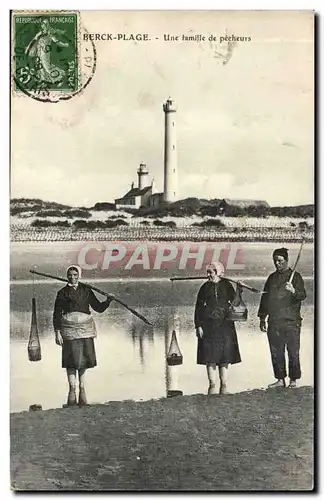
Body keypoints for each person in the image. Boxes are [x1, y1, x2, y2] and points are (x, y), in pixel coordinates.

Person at [53, 265, 114, 407]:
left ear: (79, 275)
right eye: (70, 275)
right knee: (71, 359)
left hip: (86, 328)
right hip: (69, 330)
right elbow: (56, 314)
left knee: (84, 359)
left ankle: (81, 387)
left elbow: (98, 308)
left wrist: (108, 301)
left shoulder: (86, 290)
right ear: (67, 275)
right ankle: (72, 387)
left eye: (75, 274)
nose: (72, 277)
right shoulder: (62, 293)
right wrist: (57, 332)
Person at [257, 247, 306, 389]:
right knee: (276, 351)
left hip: (292, 321)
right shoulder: (271, 278)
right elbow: (265, 299)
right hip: (274, 321)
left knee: (293, 351)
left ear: (286, 260)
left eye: (280, 261)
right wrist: (262, 318)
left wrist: (293, 291)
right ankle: (280, 379)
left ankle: (293, 380)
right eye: (275, 261)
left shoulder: (295, 277)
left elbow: (303, 295)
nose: (277, 264)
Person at [194, 262, 241, 395]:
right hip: (208, 326)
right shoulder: (204, 288)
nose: (208, 275)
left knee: (224, 357)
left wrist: (239, 289)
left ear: (218, 272)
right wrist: (198, 326)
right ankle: (212, 385)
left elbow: (236, 302)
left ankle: (224, 385)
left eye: (211, 272)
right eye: (207, 272)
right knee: (210, 357)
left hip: (225, 325)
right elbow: (198, 308)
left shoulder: (227, 286)